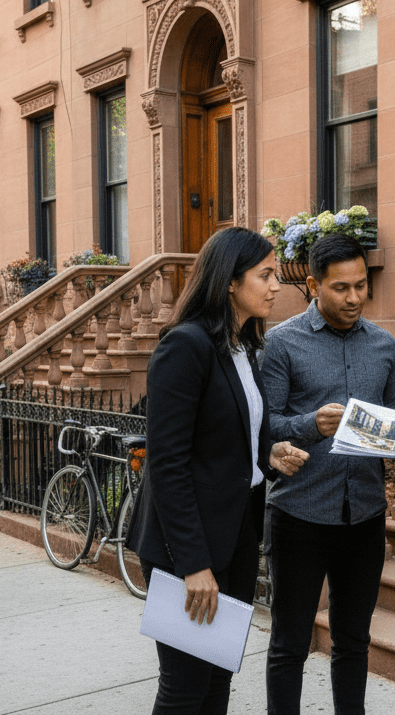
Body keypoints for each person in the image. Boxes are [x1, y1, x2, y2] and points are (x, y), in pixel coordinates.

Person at [128, 226, 309, 715]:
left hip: (236, 537)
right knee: (185, 687)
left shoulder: (244, 346)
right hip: (188, 548)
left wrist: (269, 453)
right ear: (230, 281)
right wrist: (193, 564)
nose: (277, 285)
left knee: (217, 679)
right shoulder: (185, 346)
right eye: (265, 274)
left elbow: (236, 432)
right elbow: (167, 462)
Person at [263, 232, 395, 715]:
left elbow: (391, 423)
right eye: (341, 288)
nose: (354, 298)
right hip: (299, 513)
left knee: (354, 641)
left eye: (361, 286)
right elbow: (265, 426)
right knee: (290, 643)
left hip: (364, 514)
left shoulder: (384, 345)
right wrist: (311, 425)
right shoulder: (280, 343)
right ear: (312, 285)